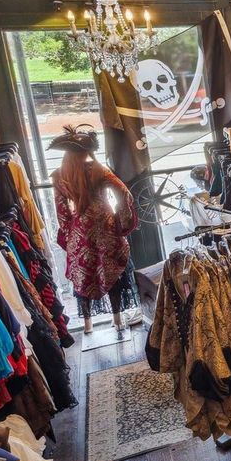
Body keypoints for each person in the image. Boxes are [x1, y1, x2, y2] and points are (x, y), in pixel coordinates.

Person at [50, 125, 138, 333]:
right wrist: (121, 220)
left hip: (79, 228)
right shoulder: (100, 171)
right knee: (112, 271)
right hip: (105, 224)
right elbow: (125, 194)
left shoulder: (59, 175)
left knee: (84, 272)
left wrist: (70, 232)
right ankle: (117, 319)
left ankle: (88, 325)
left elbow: (61, 211)